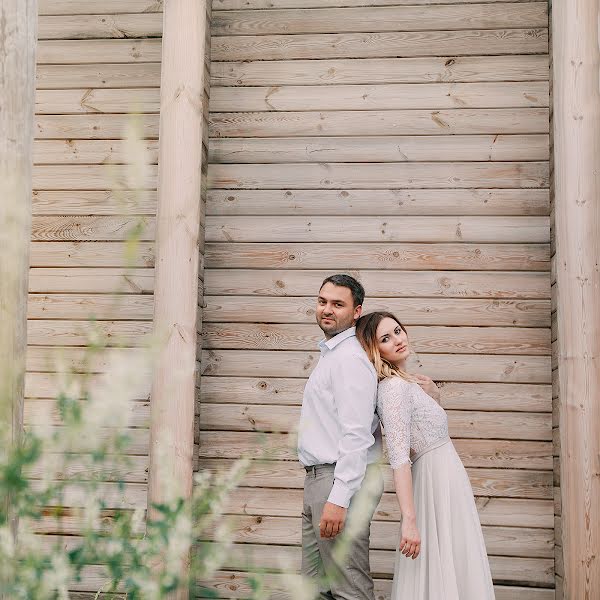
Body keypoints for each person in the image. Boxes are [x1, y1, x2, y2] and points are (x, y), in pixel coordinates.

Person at [355, 311, 495, 600]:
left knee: (454, 563)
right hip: (433, 483)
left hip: (448, 481)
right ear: (374, 349)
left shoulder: (410, 383)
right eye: (385, 338)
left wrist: (434, 396)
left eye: (397, 331)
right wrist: (409, 519)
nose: (396, 339)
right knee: (438, 566)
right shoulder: (393, 388)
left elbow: (428, 430)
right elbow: (399, 457)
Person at [298, 274, 384, 599]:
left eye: (338, 304)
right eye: (323, 302)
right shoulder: (332, 355)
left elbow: (357, 435)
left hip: (338, 482)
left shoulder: (349, 359)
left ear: (357, 311)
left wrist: (338, 498)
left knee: (349, 588)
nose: (327, 310)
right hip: (319, 481)